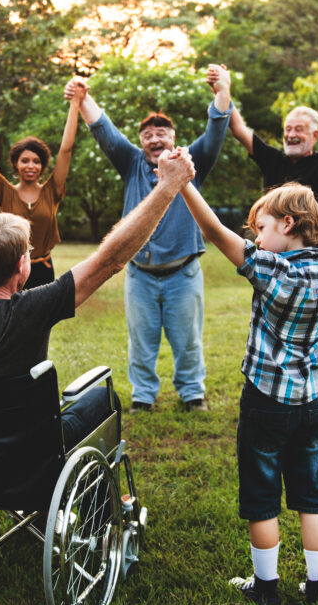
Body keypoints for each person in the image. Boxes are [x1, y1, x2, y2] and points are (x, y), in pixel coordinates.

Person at [0, 112, 197, 441]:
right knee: (104, 399)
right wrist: (167, 188)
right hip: (27, 448)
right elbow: (111, 260)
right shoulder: (33, 308)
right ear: (23, 267)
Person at [178, 140, 318, 605]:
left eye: (261, 228)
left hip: (264, 401)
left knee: (261, 494)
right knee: (312, 493)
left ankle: (266, 588)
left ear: (287, 224)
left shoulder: (269, 269)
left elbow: (214, 230)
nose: (256, 237)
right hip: (311, 403)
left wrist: (183, 184)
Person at [65, 64, 232, 413]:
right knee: (141, 342)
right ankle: (143, 396)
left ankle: (192, 394)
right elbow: (102, 129)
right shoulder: (131, 163)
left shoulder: (191, 162)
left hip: (183, 274)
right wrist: (84, 98)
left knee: (187, 342)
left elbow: (216, 129)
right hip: (139, 274)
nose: (155, 139)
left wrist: (222, 91)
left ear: (173, 138)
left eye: (162, 133)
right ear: (142, 142)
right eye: (148, 135)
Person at [227, 101, 318, 427]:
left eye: (298, 129)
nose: (291, 134)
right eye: (287, 129)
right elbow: (238, 129)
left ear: (315, 134)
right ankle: (274, 390)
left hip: (311, 270)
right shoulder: (274, 160)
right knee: (271, 331)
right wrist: (223, 92)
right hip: (271, 265)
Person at [0, 86, 80, 289]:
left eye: (36, 161)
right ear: (16, 164)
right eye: (24, 160)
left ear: (42, 166)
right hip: (8, 270)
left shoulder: (52, 191)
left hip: (43, 269)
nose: (30, 166)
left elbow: (66, 150)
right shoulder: (4, 191)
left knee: (42, 321)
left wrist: (74, 104)